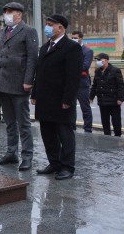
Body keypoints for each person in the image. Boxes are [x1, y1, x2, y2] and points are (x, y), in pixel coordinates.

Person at [32, 14, 82, 181]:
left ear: (61, 28)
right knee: (48, 133)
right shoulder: (44, 47)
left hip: (61, 100)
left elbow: (73, 77)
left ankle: (67, 166)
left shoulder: (71, 47)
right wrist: (34, 94)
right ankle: (54, 162)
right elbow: (39, 74)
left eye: (50, 24)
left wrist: (68, 100)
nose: (47, 27)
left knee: (64, 134)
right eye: (47, 24)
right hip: (44, 99)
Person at [0, 2, 38, 172]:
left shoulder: (28, 31)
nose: (6, 15)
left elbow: (32, 57)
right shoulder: (4, 31)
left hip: (19, 83)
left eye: (10, 12)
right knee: (9, 122)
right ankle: (11, 152)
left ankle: (27, 156)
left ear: (19, 14)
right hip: (3, 83)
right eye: (5, 12)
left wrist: (28, 80)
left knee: (23, 123)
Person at [89, 53, 124, 136]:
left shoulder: (115, 70)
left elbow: (120, 85)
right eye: (97, 60)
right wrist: (91, 97)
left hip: (113, 100)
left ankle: (117, 136)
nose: (98, 61)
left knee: (116, 120)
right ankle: (107, 136)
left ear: (106, 60)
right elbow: (95, 85)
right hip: (102, 100)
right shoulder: (98, 71)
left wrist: (120, 98)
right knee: (105, 121)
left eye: (100, 59)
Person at [71, 31, 94, 132]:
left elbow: (85, 66)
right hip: (71, 84)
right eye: (72, 37)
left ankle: (88, 129)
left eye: (75, 37)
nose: (73, 39)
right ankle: (72, 128)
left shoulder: (87, 51)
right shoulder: (69, 49)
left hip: (82, 84)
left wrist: (70, 66)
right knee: (71, 108)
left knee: (85, 108)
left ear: (81, 38)